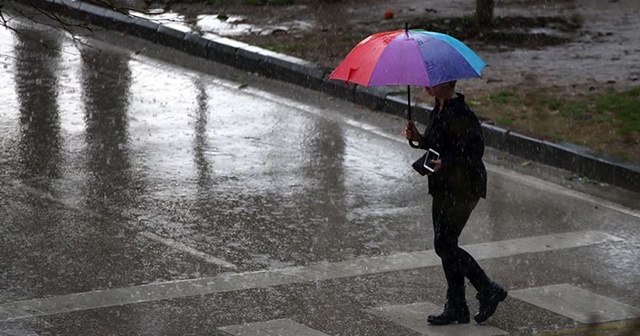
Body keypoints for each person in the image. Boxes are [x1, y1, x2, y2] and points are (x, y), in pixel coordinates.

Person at [404, 80, 507, 325]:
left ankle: (487, 289)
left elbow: (473, 153)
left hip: (464, 186)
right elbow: (437, 143)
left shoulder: (461, 113)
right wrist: (419, 138)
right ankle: (457, 305)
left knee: (444, 244)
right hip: (442, 185)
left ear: (445, 82)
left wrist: (446, 162)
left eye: (431, 82)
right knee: (446, 244)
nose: (425, 85)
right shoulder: (438, 107)